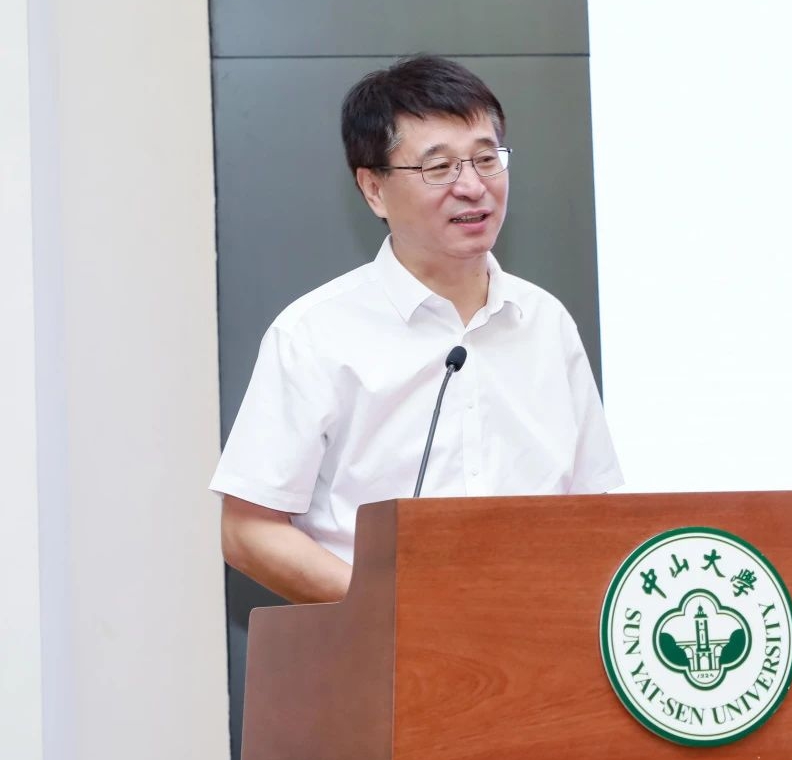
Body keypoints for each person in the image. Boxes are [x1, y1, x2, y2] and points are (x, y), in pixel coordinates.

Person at [210, 55, 622, 604]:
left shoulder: (545, 322)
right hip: (380, 645)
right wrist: (393, 612)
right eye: (439, 167)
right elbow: (248, 531)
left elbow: (596, 508)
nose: (472, 186)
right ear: (373, 189)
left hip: (534, 635)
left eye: (486, 159)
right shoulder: (314, 334)